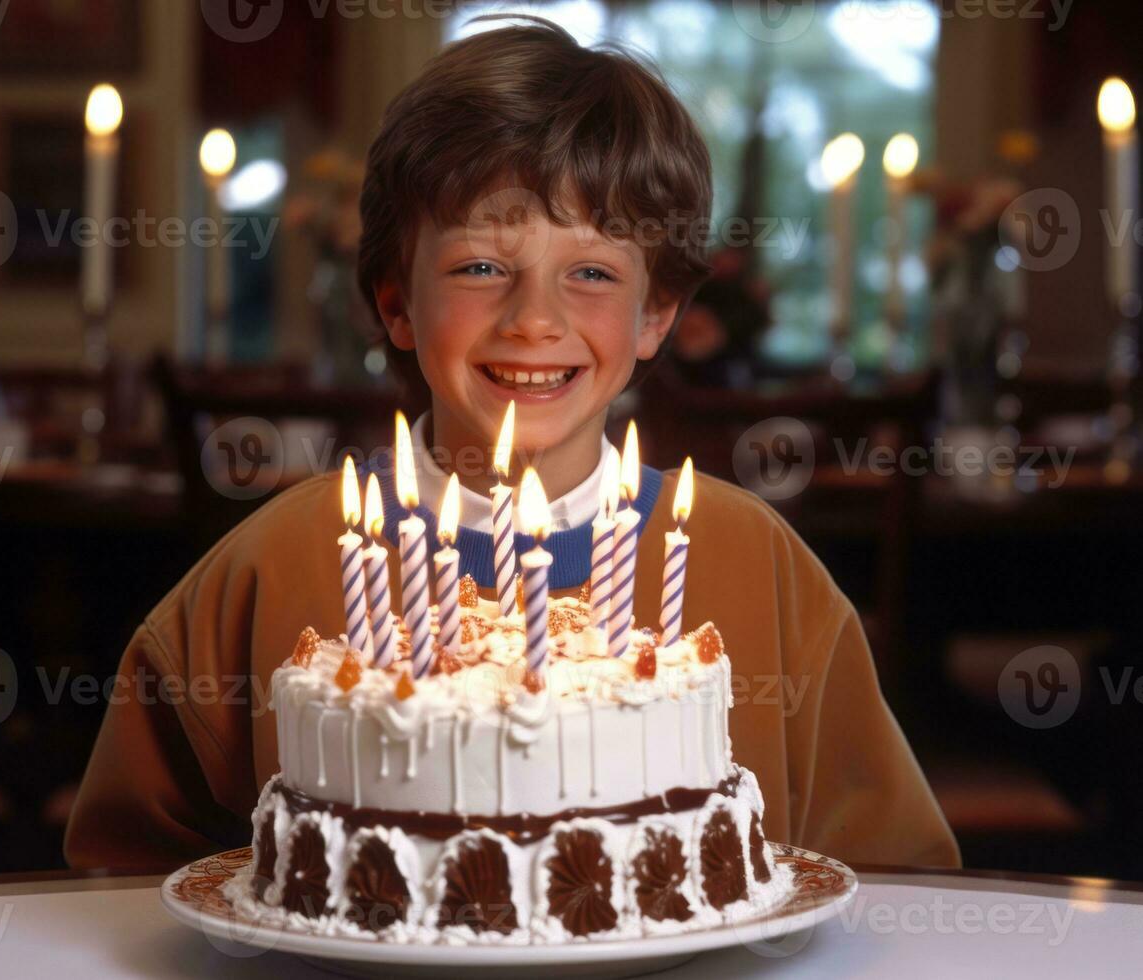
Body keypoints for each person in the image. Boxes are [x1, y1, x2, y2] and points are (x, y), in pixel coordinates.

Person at [65, 17, 960, 872]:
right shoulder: (269, 566)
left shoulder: (758, 569)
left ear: (657, 314)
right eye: (480, 267)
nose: (535, 320)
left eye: (592, 273)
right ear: (395, 305)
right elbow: (131, 884)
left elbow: (888, 877)